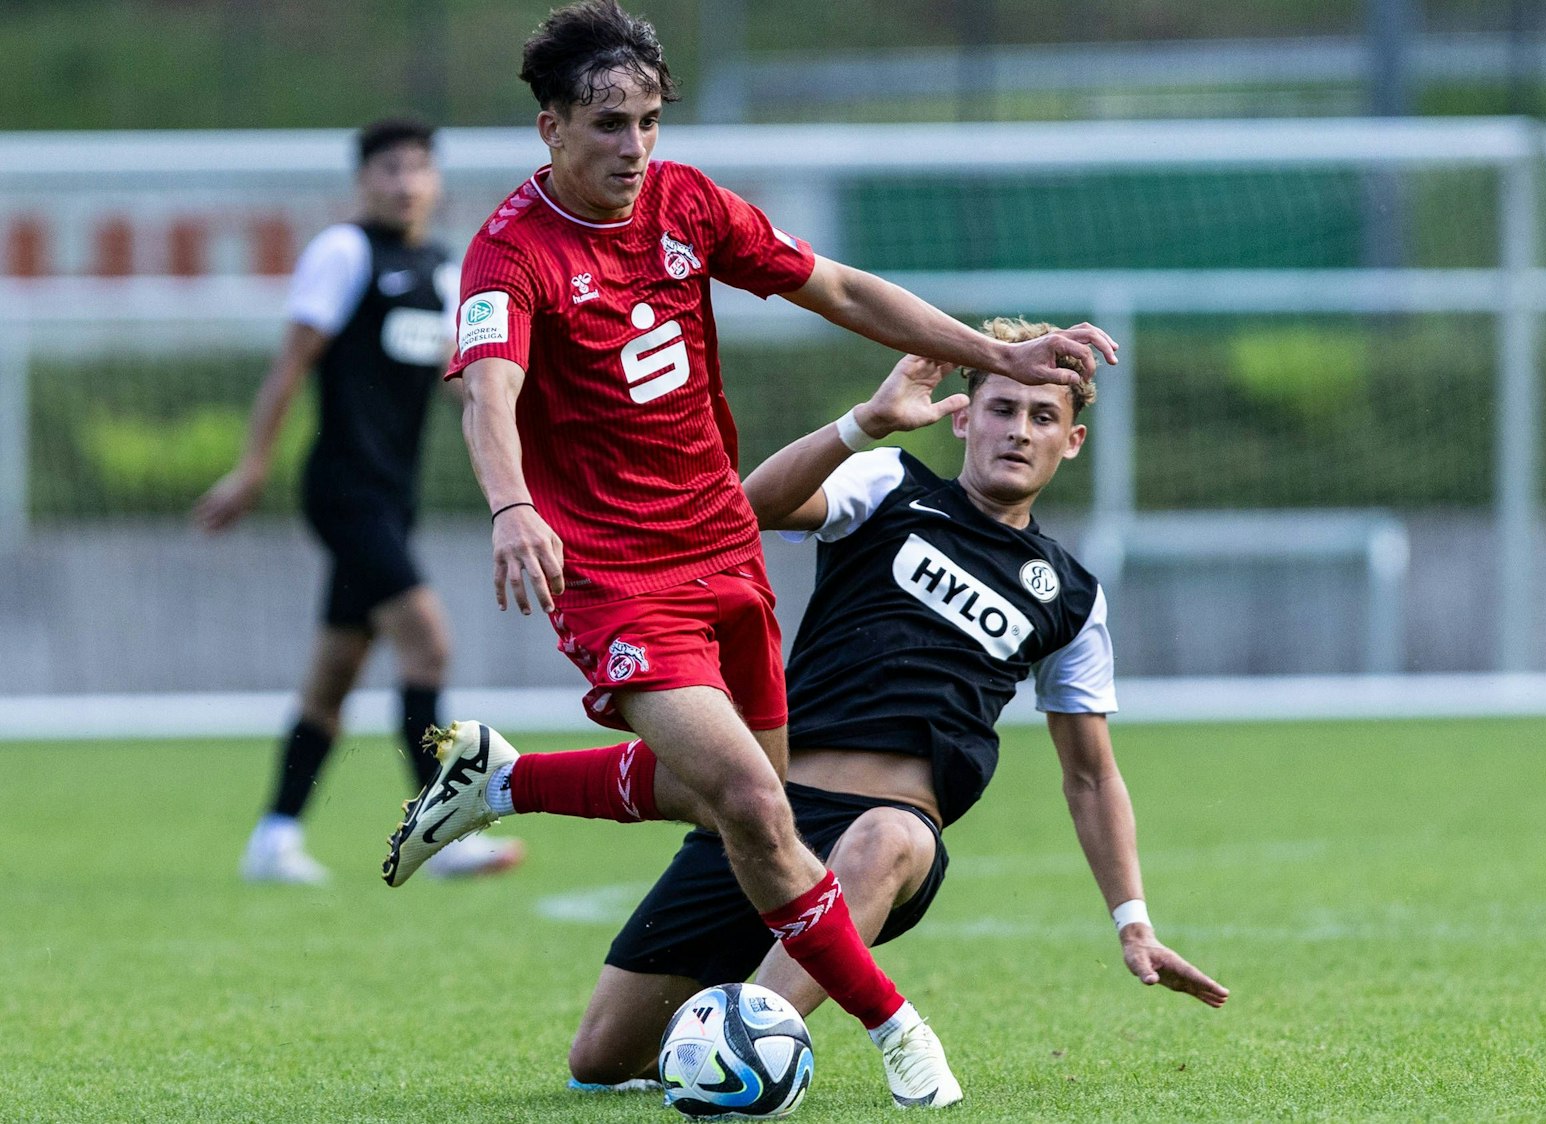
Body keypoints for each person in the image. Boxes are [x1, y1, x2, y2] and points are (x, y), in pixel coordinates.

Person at [379, 0, 1113, 1109]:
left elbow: (842, 289)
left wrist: (990, 351)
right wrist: (509, 506)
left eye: (649, 123)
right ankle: (899, 1032)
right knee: (756, 805)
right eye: (609, 125)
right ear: (550, 129)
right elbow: (492, 393)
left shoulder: (685, 203)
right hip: (617, 576)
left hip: (720, 544)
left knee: (746, 801)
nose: (634, 149)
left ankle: (503, 777)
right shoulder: (507, 255)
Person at [560, 321, 1230, 1094]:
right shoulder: (887, 484)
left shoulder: (1072, 598)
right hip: (765, 814)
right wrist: (865, 421)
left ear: (1071, 440)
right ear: (962, 417)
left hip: (891, 840)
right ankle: (721, 1026)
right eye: (1001, 408)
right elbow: (749, 506)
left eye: (1041, 418)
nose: (1018, 430)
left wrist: (1132, 922)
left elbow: (1090, 777)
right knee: (599, 1061)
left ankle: (749, 1054)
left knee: (881, 838)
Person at [196, 117, 522, 885]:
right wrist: (250, 468)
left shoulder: (444, 270)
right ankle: (442, 833)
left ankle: (273, 838)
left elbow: (463, 385)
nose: (405, 182)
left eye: (417, 168)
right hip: (344, 492)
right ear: (363, 179)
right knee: (429, 645)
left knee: (333, 677)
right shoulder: (343, 254)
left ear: (435, 181)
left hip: (391, 497)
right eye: (388, 168)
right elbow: (289, 367)